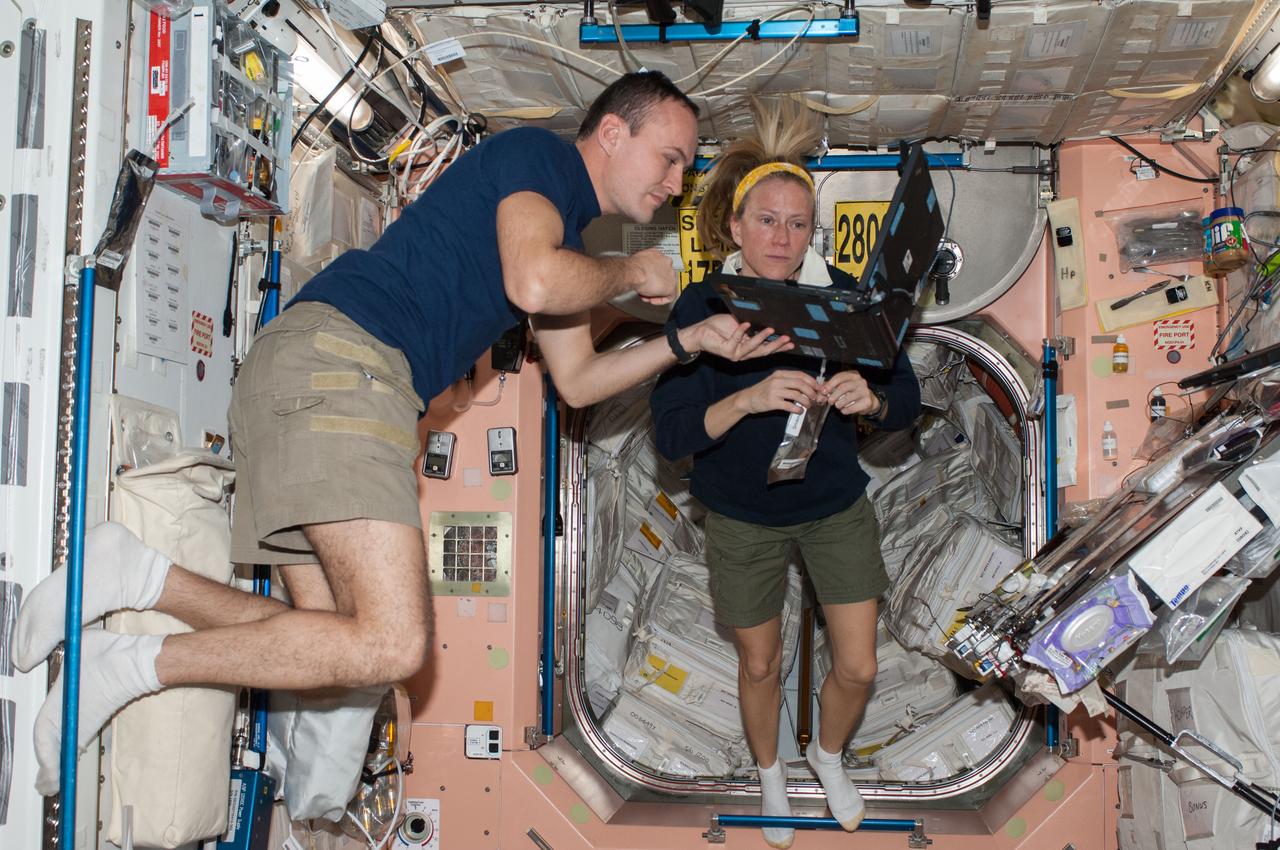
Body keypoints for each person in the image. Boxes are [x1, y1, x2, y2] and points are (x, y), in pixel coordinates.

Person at [15, 71, 791, 795]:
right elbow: (532, 282)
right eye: (672, 157)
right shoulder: (540, 160)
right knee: (393, 645)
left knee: (331, 644)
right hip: (345, 367)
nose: (675, 182)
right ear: (615, 133)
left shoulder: (565, 238)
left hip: (311, 372)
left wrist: (689, 343)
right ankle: (127, 667)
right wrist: (631, 275)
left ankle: (135, 576)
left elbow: (579, 379)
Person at [649, 99, 921, 849]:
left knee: (859, 666)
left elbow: (909, 396)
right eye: (767, 220)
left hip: (833, 503)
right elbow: (672, 432)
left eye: (798, 224)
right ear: (734, 227)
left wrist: (873, 400)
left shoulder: (845, 302)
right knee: (762, 662)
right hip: (740, 512)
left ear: (814, 232)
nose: (783, 237)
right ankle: (770, 772)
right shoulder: (705, 306)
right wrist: (746, 397)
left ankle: (825, 754)